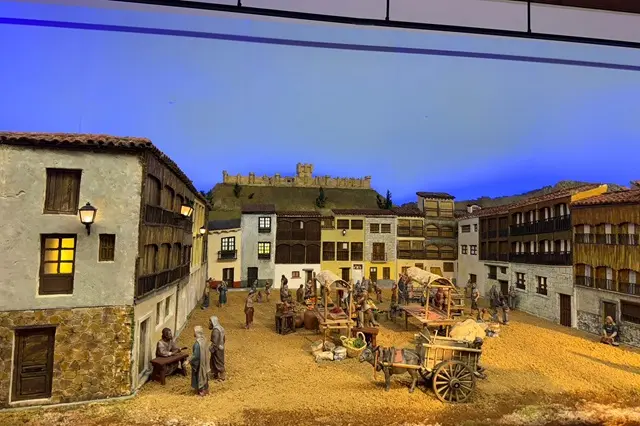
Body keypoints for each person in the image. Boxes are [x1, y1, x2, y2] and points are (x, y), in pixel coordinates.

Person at [189, 326, 210, 396]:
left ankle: (202, 390)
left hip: (200, 363)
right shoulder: (204, 340)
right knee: (204, 375)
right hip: (204, 361)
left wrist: (189, 360)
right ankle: (205, 389)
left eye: (194, 332)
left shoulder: (197, 344)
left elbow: (196, 356)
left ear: (196, 333)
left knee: (200, 376)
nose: (193, 333)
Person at [208, 316, 226, 381]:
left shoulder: (215, 330)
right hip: (220, 347)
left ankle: (222, 376)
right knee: (215, 361)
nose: (209, 323)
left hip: (217, 349)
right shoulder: (221, 328)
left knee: (218, 361)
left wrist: (211, 349)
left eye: (210, 322)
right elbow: (224, 339)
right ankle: (215, 374)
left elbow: (215, 342)